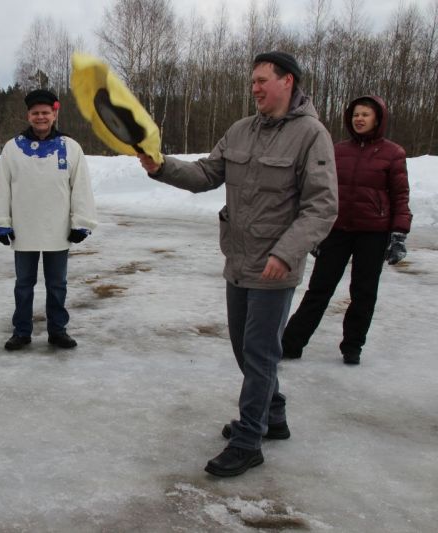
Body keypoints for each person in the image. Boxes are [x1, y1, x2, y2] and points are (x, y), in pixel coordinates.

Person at [138, 51, 338, 477]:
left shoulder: (311, 135)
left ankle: (249, 440)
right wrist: (161, 166)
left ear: (288, 81)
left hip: (275, 266)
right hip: (238, 260)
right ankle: (274, 414)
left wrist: (286, 253)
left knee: (259, 354)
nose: (255, 88)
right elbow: (206, 174)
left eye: (262, 80)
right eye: (252, 82)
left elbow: (321, 206)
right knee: (244, 349)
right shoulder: (240, 130)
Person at [281, 95, 412, 365]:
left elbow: (400, 196)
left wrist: (399, 234)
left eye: (365, 114)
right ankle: (291, 344)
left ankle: (352, 346)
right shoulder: (337, 150)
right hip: (337, 230)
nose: (359, 119)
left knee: (363, 292)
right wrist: (315, 232)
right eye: (355, 115)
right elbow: (320, 191)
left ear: (378, 119)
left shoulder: (393, 153)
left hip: (373, 233)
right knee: (319, 289)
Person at [0, 88, 97, 351]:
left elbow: (80, 186)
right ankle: (21, 332)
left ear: (54, 114)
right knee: (23, 285)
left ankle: (57, 330)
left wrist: (81, 222)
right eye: (35, 113)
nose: (40, 117)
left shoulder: (71, 148)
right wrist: (1, 222)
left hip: (58, 230)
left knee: (57, 285)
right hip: (24, 228)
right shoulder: (13, 148)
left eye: (45, 112)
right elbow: (2, 186)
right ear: (28, 115)